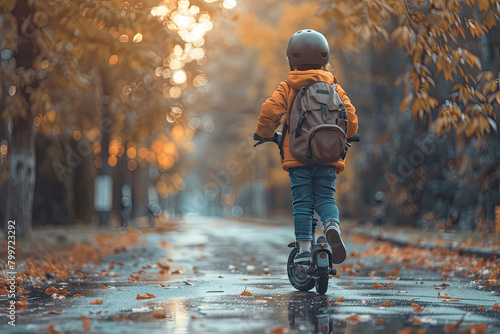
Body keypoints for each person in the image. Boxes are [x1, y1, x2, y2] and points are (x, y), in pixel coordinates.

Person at [254, 29, 358, 265]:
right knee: (326, 198)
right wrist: (348, 135)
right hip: (329, 156)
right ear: (325, 57)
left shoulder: (288, 86)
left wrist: (264, 133)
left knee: (302, 202)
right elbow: (351, 118)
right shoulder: (335, 87)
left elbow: (269, 111)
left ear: (292, 57)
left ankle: (303, 249)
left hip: (298, 157)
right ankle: (332, 225)